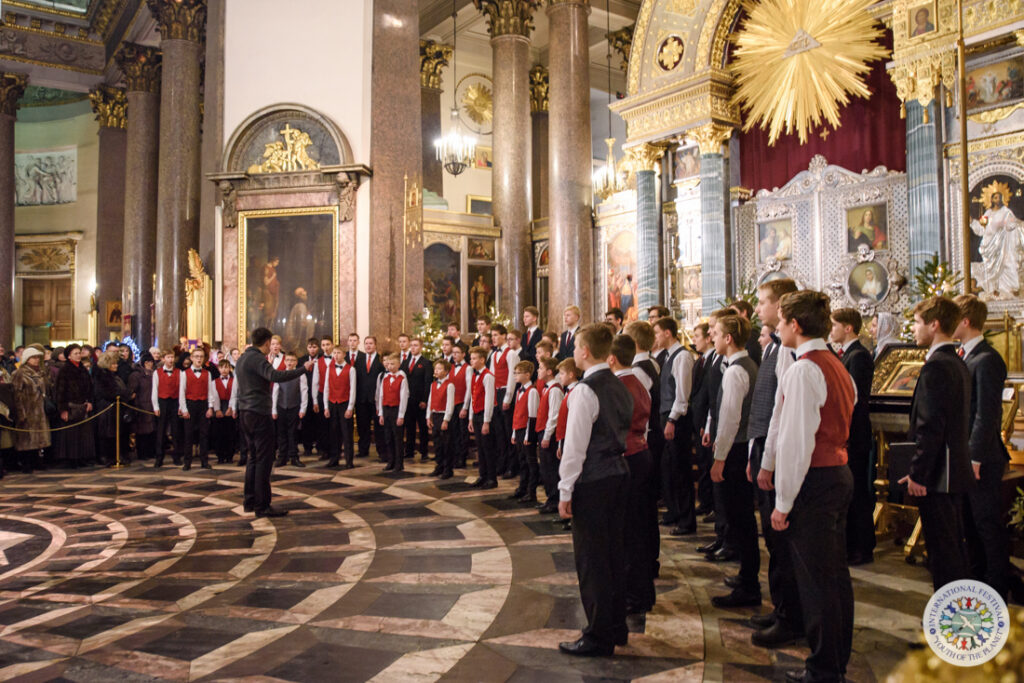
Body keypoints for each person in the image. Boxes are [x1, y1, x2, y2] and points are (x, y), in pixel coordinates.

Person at [771, 290, 855, 683]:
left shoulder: (804, 369)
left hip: (815, 480)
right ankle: (835, 659)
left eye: (781, 320)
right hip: (837, 473)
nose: (776, 326)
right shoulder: (836, 364)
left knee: (818, 581)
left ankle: (824, 668)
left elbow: (796, 442)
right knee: (834, 576)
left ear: (796, 325)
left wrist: (783, 501)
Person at [557, 324, 633, 657]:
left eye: (576, 347)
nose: (574, 352)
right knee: (615, 554)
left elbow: (574, 448)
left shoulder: (584, 390)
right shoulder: (620, 384)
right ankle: (616, 627)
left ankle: (598, 635)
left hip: (593, 480)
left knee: (592, 560)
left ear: (586, 351)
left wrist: (564, 489)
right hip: (619, 474)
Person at [903, 296, 973, 591]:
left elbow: (931, 427)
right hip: (952, 471)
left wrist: (919, 475)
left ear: (934, 325)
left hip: (937, 477)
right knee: (952, 550)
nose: (914, 329)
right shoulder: (956, 361)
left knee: (944, 557)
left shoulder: (936, 366)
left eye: (918, 323)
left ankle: (951, 627)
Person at [746, 278, 801, 648]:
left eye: (764, 302)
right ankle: (781, 606)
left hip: (779, 452)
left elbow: (784, 412)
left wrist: (768, 459)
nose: (758, 309)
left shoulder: (788, 350)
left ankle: (790, 616)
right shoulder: (771, 347)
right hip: (764, 447)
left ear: (781, 305)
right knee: (773, 541)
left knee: (783, 543)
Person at [954, 294, 1013, 599]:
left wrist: (974, 457)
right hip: (967, 456)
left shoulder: (987, 359)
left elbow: (987, 415)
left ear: (965, 321)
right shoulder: (965, 355)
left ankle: (996, 589)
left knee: (986, 524)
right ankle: (976, 583)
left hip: (983, 458)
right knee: (970, 525)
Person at [706, 314, 761, 609]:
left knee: (740, 519)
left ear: (729, 339)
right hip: (739, 449)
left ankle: (749, 585)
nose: (712, 338)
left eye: (716, 334)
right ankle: (746, 577)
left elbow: (729, 419)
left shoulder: (736, 372)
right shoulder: (744, 365)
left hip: (736, 450)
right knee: (740, 518)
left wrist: (719, 457)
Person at [235, 327, 312, 518]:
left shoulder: (243, 358)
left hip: (245, 411)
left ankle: (249, 501)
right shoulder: (258, 359)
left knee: (254, 457)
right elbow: (276, 376)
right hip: (259, 413)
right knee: (264, 458)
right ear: (268, 342)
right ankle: (262, 505)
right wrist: (302, 369)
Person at [608, 334, 657, 616]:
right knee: (639, 527)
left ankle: (634, 594)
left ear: (611, 358)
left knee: (628, 531)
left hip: (626, 457)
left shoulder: (618, 386)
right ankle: (642, 592)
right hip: (641, 453)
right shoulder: (639, 382)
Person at [830, 308, 876, 566]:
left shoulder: (858, 356)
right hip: (849, 433)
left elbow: (853, 399)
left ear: (848, 328)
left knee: (858, 491)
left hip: (855, 434)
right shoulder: (846, 354)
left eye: (835, 325)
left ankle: (862, 546)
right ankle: (851, 543)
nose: (831, 329)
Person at [652, 316, 696, 536]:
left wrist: (672, 419)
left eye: (657, 332)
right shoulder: (669, 356)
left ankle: (687, 520)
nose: (655, 337)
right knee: (669, 468)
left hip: (677, 419)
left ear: (668, 333)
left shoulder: (683, 357)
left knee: (680, 470)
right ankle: (676, 513)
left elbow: (682, 394)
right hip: (668, 417)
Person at [970, 190, 1024, 297]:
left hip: (1003, 246)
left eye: (999, 197)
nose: (997, 199)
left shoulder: (1006, 212)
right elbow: (982, 229)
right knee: (987, 270)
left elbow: (1013, 225)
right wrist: (972, 222)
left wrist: (1019, 225)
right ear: (991, 199)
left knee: (1007, 267)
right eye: (995, 197)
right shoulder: (988, 213)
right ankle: (992, 289)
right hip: (989, 247)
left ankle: (1008, 290)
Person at [53, 343, 95, 468]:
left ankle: (82, 457)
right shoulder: (65, 370)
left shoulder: (82, 369)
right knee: (71, 434)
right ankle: (71, 459)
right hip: (70, 405)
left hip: (83, 404)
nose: (78, 356)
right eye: (75, 353)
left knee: (83, 434)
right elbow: (60, 391)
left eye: (79, 353)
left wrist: (90, 401)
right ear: (69, 356)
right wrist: (63, 409)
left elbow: (90, 387)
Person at [11, 347, 50, 473]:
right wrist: (21, 413)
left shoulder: (39, 373)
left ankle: (36, 461)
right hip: (27, 409)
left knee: (37, 438)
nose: (36, 360)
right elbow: (16, 395)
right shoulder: (19, 373)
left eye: (38, 357)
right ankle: (25, 463)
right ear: (27, 359)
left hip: (39, 409)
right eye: (34, 357)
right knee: (26, 438)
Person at [178, 346, 216, 470]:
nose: (199, 359)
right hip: (190, 404)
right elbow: (181, 393)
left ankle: (204, 461)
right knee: (188, 434)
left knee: (204, 434)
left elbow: (210, 392)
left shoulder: (208, 373)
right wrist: (184, 409)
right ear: (192, 358)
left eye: (201, 357)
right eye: (196, 357)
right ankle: (187, 462)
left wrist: (210, 407)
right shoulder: (184, 373)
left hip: (203, 405)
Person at [93, 348, 132, 467]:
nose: (116, 365)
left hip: (116, 409)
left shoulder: (114, 376)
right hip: (106, 409)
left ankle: (117, 455)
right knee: (107, 435)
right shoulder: (102, 377)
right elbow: (107, 392)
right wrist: (120, 395)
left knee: (117, 434)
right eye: (113, 363)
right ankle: (107, 456)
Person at [489, 325, 519, 477]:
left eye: (496, 335)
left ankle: (512, 466)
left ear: (503, 336)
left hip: (507, 393)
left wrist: (507, 398)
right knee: (499, 432)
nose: (493, 338)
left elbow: (512, 377)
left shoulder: (511, 353)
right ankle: (502, 463)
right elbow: (493, 376)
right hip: (497, 392)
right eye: (492, 335)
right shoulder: (494, 354)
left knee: (508, 432)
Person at [535, 357, 564, 514]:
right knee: (545, 468)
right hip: (543, 432)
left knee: (551, 469)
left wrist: (546, 436)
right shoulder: (547, 388)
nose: (538, 371)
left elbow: (554, 415)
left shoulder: (554, 390)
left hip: (549, 435)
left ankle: (554, 500)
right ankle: (549, 498)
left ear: (549, 371)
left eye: (540, 368)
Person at [467, 346, 497, 488]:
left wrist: (486, 421)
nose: (471, 361)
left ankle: (492, 478)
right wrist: (471, 418)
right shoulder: (474, 375)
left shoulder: (488, 376)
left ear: (482, 360)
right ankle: (482, 475)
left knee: (488, 448)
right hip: (477, 415)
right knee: (480, 447)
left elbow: (489, 400)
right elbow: (474, 397)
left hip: (486, 416)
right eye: (471, 358)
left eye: (474, 358)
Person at [272, 351, 309, 468]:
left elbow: (304, 392)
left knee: (293, 433)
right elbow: (275, 393)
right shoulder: (280, 374)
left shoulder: (300, 375)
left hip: (294, 406)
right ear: (284, 361)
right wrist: (273, 409)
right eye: (287, 360)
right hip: (281, 406)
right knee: (281, 433)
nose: (289, 363)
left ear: (296, 362)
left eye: (292, 360)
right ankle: (282, 457)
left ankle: (294, 457)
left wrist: (303, 408)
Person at [510, 360, 540, 502]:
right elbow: (517, 412)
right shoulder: (519, 391)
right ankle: (522, 488)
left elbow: (532, 416)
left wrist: (528, 435)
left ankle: (531, 491)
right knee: (522, 461)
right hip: (519, 430)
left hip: (527, 432)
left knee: (530, 462)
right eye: (514, 373)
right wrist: (514, 433)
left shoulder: (532, 391)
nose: (515, 375)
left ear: (527, 375)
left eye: (518, 373)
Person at [323, 346, 356, 469]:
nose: (336, 355)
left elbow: (353, 390)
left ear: (344, 355)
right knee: (333, 433)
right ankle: (334, 458)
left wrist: (350, 408)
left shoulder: (351, 369)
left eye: (338, 353)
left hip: (344, 403)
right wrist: (326, 406)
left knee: (347, 434)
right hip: (332, 404)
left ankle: (349, 460)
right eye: (334, 353)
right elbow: (326, 387)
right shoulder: (329, 368)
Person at [377, 353, 408, 472]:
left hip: (396, 410)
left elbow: (404, 398)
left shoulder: (402, 379)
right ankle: (391, 461)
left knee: (397, 438)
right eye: (388, 364)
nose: (389, 366)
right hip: (386, 409)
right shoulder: (385, 378)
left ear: (399, 365)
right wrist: (380, 413)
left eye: (392, 364)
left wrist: (401, 415)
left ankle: (399, 463)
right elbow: (381, 396)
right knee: (388, 437)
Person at [152, 350, 183, 468]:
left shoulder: (179, 372)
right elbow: (154, 390)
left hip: (175, 402)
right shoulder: (157, 372)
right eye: (168, 357)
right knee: (161, 431)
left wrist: (181, 406)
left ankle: (177, 456)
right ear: (163, 359)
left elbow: (181, 390)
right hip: (162, 402)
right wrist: (155, 406)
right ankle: (159, 457)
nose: (171, 360)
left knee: (176, 430)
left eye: (172, 357)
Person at [356, 336, 385, 460]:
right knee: (362, 426)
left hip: (376, 399)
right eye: (366, 343)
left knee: (379, 428)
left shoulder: (380, 361)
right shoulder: (359, 360)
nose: (368, 346)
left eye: (371, 343)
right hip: (361, 399)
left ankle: (382, 452)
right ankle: (363, 450)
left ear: (375, 345)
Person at [426, 359, 455, 478]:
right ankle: (439, 466)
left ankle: (448, 469)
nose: (436, 371)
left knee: (446, 444)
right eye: (435, 369)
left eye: (439, 369)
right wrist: (428, 417)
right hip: (435, 415)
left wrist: (446, 420)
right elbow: (430, 401)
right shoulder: (433, 384)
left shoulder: (450, 385)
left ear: (446, 371)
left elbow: (450, 403)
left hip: (444, 416)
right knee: (437, 443)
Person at [404, 338, 431, 461]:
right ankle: (409, 450)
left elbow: (427, 382)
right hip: (408, 400)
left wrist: (424, 400)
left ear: (420, 347)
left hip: (420, 400)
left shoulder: (426, 363)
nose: (413, 348)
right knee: (409, 427)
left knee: (422, 427)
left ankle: (424, 451)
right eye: (411, 345)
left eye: (415, 345)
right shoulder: (405, 362)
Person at [128, 353, 157, 462]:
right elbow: (132, 391)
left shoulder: (153, 374)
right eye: (147, 362)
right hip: (140, 405)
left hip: (151, 404)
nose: (149, 364)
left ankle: (150, 452)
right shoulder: (136, 375)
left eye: (151, 362)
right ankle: (142, 453)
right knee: (141, 431)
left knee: (151, 430)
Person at [311, 335, 335, 460]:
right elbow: (315, 382)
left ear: (332, 345)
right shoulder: (318, 362)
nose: (326, 347)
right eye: (324, 345)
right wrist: (315, 400)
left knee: (334, 424)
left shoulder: (338, 359)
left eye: (328, 344)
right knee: (323, 425)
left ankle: (335, 449)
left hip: (335, 395)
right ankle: (325, 450)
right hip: (321, 395)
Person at [448, 345, 471, 469]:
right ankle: (455, 457)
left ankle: (462, 458)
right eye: (453, 353)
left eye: (457, 352)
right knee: (454, 431)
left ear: (463, 354)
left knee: (463, 432)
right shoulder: (450, 367)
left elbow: (469, 389)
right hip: (452, 403)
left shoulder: (468, 368)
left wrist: (465, 407)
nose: (454, 355)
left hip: (462, 403)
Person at [211, 359, 238, 464]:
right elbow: (214, 396)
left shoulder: (234, 381)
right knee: (219, 434)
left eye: (226, 367)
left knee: (230, 433)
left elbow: (235, 395)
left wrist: (231, 408)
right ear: (218, 369)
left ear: (229, 368)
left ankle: (229, 455)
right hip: (219, 407)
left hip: (230, 407)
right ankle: (220, 456)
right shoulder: (214, 382)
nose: (224, 370)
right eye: (222, 367)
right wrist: (217, 410)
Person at [298, 337, 321, 457]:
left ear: (318, 348)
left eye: (314, 347)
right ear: (307, 348)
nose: (312, 350)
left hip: (318, 395)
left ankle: (319, 446)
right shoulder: (301, 360)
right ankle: (307, 447)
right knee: (306, 423)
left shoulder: (321, 359)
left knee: (319, 422)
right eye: (310, 347)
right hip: (305, 396)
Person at [730, 299, 762, 365]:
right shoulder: (740, 336)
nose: (730, 317)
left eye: (733, 312)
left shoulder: (752, 336)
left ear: (744, 312)